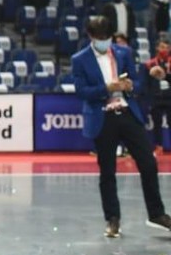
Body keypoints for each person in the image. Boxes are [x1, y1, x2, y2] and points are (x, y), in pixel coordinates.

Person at [71, 16, 171, 239]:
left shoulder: (123, 52)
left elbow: (135, 82)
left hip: (127, 112)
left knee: (148, 162)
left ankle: (156, 214)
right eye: (99, 38)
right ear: (90, 37)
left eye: (107, 38)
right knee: (107, 171)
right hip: (103, 116)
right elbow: (81, 92)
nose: (104, 42)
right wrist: (107, 87)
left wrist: (129, 85)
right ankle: (112, 219)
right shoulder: (80, 59)